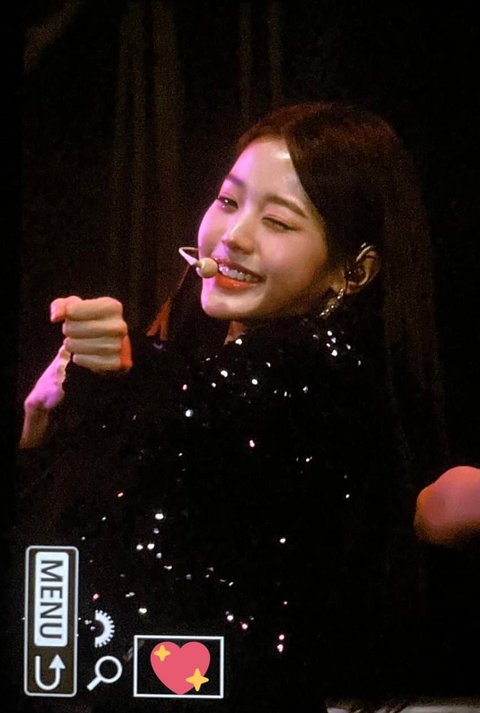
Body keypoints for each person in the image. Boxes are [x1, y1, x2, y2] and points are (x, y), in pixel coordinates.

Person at [12, 101, 449, 712]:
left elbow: (209, 413)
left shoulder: (323, 373)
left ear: (353, 271)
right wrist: (39, 423)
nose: (234, 236)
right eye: (227, 200)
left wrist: (122, 367)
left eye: (279, 222)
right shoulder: (197, 365)